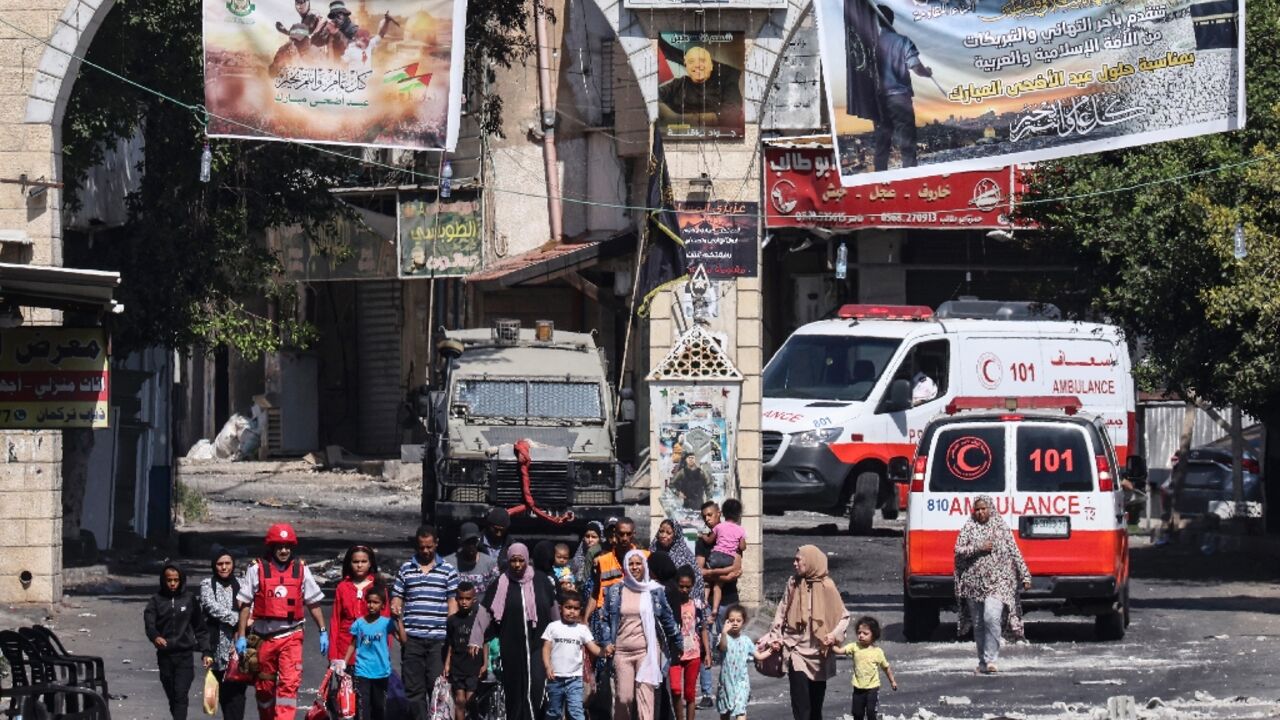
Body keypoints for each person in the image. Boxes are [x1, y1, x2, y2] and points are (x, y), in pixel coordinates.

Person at [234, 523, 328, 720]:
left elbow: (313, 603)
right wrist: (241, 636)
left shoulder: (301, 570)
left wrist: (323, 630)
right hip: (263, 638)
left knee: (289, 684)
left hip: (291, 636)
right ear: (272, 547)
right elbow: (244, 605)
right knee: (264, 688)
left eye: (287, 547)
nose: (284, 551)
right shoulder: (256, 569)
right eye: (279, 547)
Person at [469, 543, 559, 720]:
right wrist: (475, 639)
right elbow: (484, 612)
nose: (517, 565)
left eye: (520, 561)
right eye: (513, 561)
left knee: (536, 687)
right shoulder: (501, 584)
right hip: (511, 646)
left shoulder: (541, 581)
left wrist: (561, 637)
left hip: (538, 646)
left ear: (527, 560)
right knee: (514, 691)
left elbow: (553, 610)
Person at [761, 545, 850, 720]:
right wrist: (776, 636)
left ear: (810, 562)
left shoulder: (827, 586)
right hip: (796, 650)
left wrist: (833, 635)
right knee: (801, 707)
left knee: (816, 709)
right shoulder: (793, 583)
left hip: (819, 654)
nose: (794, 564)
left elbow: (844, 616)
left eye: (798, 560)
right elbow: (781, 611)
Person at [601, 550, 683, 720]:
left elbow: (667, 619)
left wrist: (678, 642)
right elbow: (605, 619)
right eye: (630, 564)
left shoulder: (654, 591)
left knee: (646, 699)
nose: (634, 567)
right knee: (624, 699)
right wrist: (607, 641)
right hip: (622, 653)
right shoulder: (614, 591)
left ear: (644, 566)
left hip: (646, 652)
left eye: (638, 563)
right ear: (625, 566)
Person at [954, 495, 1031, 674]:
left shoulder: (1001, 527)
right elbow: (958, 550)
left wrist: (1025, 575)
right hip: (974, 583)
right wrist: (978, 547)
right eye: (977, 510)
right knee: (979, 623)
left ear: (990, 509)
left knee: (991, 617)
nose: (980, 513)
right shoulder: (969, 527)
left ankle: (991, 659)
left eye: (983, 509)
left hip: (999, 581)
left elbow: (1014, 551)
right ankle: (982, 661)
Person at [391, 524, 459, 720]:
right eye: (422, 547)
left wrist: (451, 633)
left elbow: (452, 602)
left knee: (437, 688)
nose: (426, 551)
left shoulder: (447, 570)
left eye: (429, 547)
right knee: (413, 691)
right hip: (412, 640)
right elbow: (397, 598)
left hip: (438, 641)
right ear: (417, 546)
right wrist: (398, 619)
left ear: (436, 544)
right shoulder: (406, 569)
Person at [871, 5, 934, 171]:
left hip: (878, 101)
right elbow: (916, 68)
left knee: (882, 144)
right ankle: (910, 178)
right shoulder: (903, 41)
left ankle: (879, 179)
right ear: (891, 21)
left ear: (878, 21)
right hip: (900, 99)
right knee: (907, 144)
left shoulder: (871, 45)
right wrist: (927, 72)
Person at [145, 564, 209, 720]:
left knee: (181, 694)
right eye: (169, 580)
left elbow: (200, 627)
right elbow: (150, 625)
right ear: (163, 580)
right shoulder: (156, 601)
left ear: (181, 580)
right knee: (172, 695)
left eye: (176, 580)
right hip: (165, 656)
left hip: (184, 655)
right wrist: (156, 637)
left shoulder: (189, 599)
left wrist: (206, 652)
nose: (172, 584)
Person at [342, 586, 407, 720]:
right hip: (362, 670)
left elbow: (403, 640)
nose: (371, 605)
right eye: (369, 602)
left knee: (379, 707)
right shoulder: (359, 623)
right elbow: (353, 643)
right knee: (363, 707)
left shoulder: (386, 623)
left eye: (376, 602)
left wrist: (398, 619)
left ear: (383, 605)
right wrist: (344, 663)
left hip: (381, 671)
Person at [542, 590, 607, 720]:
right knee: (554, 712)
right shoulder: (553, 627)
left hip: (575, 679)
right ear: (561, 608)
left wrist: (604, 651)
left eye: (576, 608)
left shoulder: (582, 629)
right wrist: (548, 666)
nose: (572, 611)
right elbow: (546, 648)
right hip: (555, 678)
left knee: (576, 712)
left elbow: (593, 648)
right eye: (568, 607)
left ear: (580, 610)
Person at [199, 549, 248, 720]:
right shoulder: (208, 584)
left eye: (228, 563)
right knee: (219, 695)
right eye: (220, 564)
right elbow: (211, 606)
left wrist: (244, 622)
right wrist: (239, 618)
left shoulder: (243, 583)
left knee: (237, 694)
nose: (224, 567)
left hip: (238, 647)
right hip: (216, 647)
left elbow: (251, 605)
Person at [330, 545, 388, 676]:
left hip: (372, 651)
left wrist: (385, 653)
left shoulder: (378, 587)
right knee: (346, 694)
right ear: (349, 564)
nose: (359, 565)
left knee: (367, 694)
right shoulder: (342, 587)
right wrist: (333, 655)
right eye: (355, 562)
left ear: (370, 563)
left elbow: (386, 623)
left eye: (364, 561)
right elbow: (335, 622)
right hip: (344, 651)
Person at [657, 46, 744, 132]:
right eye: (691, 62)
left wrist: (679, 118)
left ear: (711, 66)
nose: (697, 65)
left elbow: (731, 115)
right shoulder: (679, 84)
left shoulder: (726, 83)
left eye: (702, 61)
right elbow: (655, 96)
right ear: (686, 67)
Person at [717, 605, 771, 720]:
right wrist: (724, 633)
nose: (735, 623)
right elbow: (722, 647)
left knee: (741, 711)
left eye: (738, 620)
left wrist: (772, 650)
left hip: (742, 682)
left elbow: (759, 656)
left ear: (744, 622)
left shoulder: (746, 640)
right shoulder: (723, 638)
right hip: (726, 683)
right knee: (725, 712)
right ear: (726, 621)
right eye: (731, 620)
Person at [669, 567, 710, 720]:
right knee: (675, 689)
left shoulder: (697, 605)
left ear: (692, 586)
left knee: (690, 693)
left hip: (693, 654)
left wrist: (707, 653)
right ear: (676, 585)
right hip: (676, 654)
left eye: (688, 586)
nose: (684, 590)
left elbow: (703, 629)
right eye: (681, 586)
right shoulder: (671, 605)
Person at [838, 616, 897, 720]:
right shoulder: (854, 646)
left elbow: (886, 668)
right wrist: (829, 645)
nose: (861, 636)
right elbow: (840, 651)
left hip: (872, 687)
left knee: (871, 712)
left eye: (865, 633)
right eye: (859, 632)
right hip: (858, 687)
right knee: (857, 713)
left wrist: (892, 682)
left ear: (873, 635)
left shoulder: (877, 652)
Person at [444, 582, 485, 720]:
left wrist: (485, 663)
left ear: (474, 599)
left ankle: (475, 717)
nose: (464, 602)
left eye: (467, 599)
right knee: (460, 700)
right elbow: (450, 643)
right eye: (461, 599)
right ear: (456, 599)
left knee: (470, 699)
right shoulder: (452, 620)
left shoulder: (478, 620)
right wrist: (447, 663)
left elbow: (485, 642)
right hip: (457, 665)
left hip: (473, 665)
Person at [698, 501, 746, 616]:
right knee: (718, 585)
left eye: (710, 515)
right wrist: (726, 576)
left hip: (729, 597)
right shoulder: (740, 530)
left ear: (720, 513)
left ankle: (707, 603)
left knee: (709, 583)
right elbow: (734, 568)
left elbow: (703, 572)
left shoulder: (719, 528)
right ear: (739, 514)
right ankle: (713, 608)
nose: (707, 519)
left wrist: (710, 572)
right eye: (704, 517)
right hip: (728, 562)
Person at [444, 522, 499, 597]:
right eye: (467, 542)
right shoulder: (448, 564)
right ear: (460, 541)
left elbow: (496, 593)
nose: (471, 546)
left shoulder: (490, 564)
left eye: (474, 541)